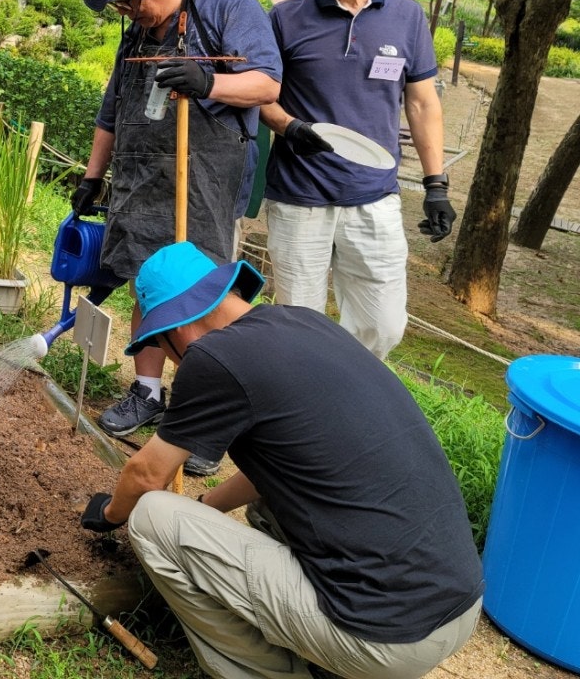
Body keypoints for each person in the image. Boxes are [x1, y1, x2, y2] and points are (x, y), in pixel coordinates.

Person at [80, 241, 484, 679]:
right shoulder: (302, 322)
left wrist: (110, 513)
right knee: (264, 505)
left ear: (178, 331)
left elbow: (146, 473)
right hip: (457, 607)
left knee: (152, 518)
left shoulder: (214, 358)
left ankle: (270, 671)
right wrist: (205, 508)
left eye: (161, 344)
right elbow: (282, 463)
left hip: (383, 636)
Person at [74, 0, 281, 463]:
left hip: (207, 175)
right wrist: (93, 176)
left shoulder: (228, 8)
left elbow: (266, 84)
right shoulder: (136, 33)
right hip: (142, 174)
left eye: (130, 2)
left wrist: (208, 83)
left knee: (204, 292)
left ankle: (207, 421)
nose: (127, 14)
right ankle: (146, 392)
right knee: (147, 279)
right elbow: (112, 108)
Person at [260, 0, 454, 360]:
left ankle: (346, 395)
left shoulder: (408, 19)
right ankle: (301, 413)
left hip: (375, 197)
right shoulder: (285, 19)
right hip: (299, 197)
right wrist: (290, 127)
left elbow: (423, 105)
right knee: (296, 326)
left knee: (382, 324)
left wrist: (436, 185)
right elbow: (259, 95)